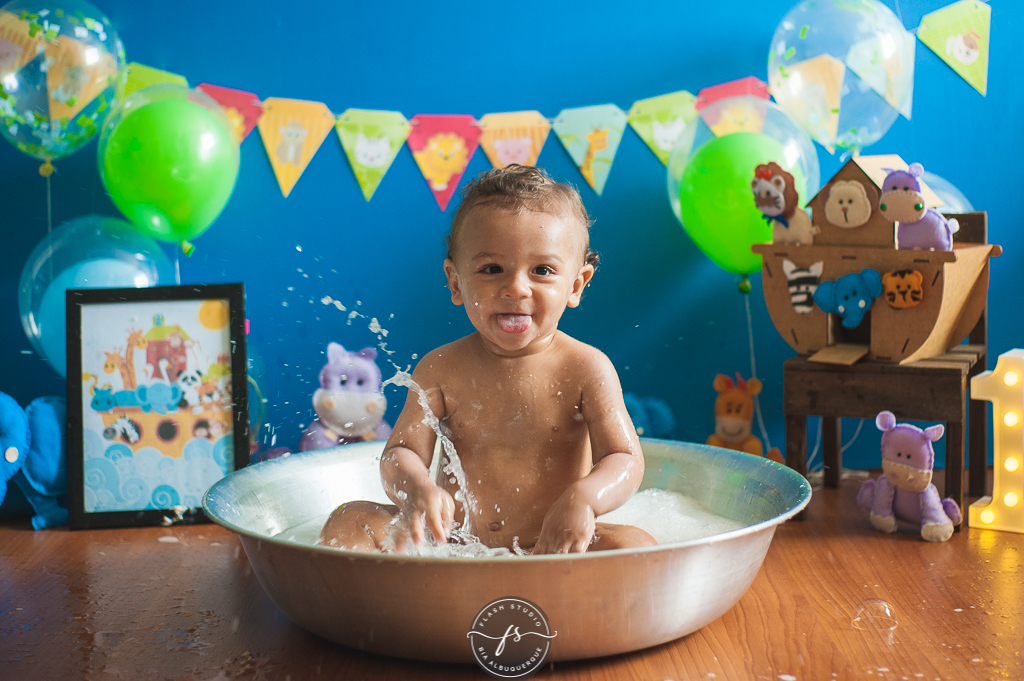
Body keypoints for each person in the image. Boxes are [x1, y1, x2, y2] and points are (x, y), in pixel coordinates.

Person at [318, 165, 655, 555]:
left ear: (576, 285)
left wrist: (585, 498)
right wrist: (418, 488)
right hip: (453, 546)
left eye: (542, 270)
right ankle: (382, 606)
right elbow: (400, 453)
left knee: (637, 545)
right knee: (349, 520)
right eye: (492, 269)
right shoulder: (440, 368)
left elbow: (624, 459)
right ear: (456, 281)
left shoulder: (585, 368)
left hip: (554, 548)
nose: (516, 287)